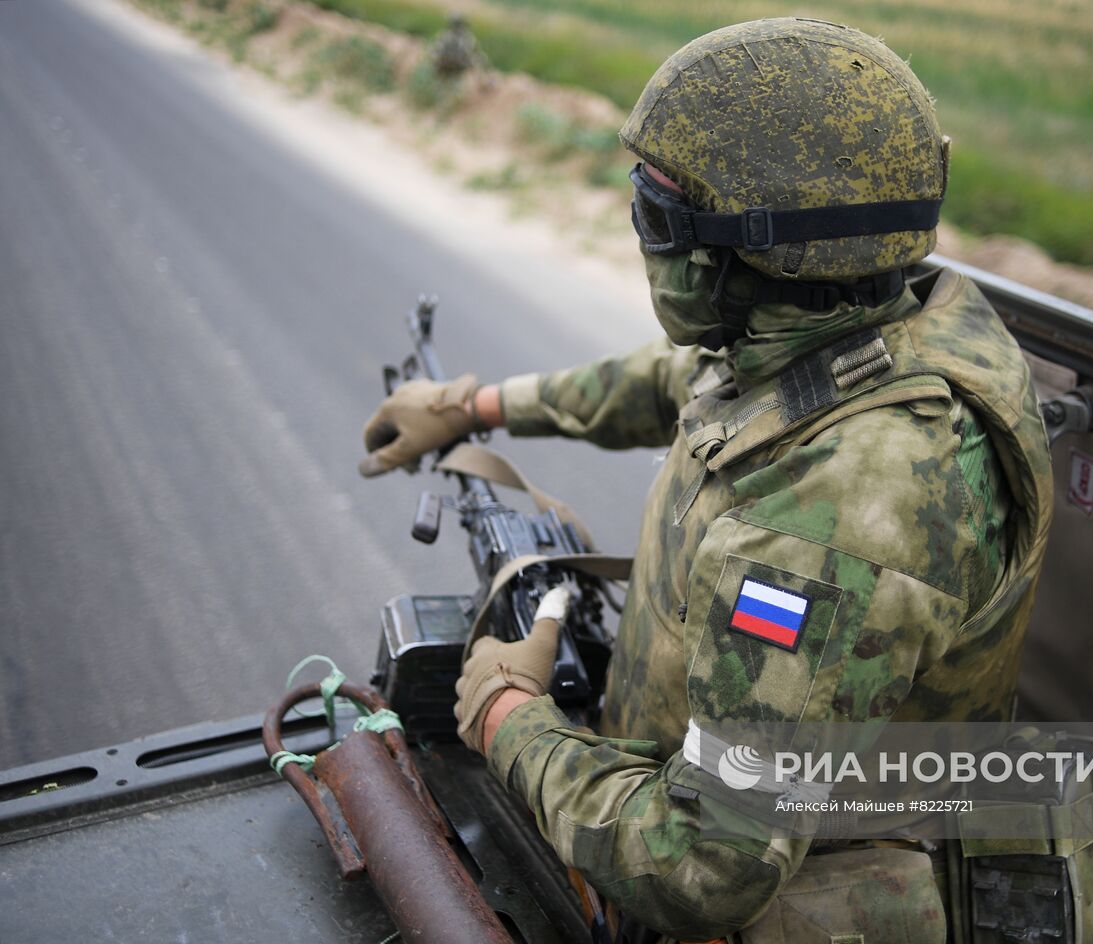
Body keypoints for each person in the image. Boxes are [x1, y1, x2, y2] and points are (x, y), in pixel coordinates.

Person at [360, 17, 1053, 943]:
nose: (640, 233)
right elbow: (685, 378)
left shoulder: (826, 524)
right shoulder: (877, 319)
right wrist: (476, 406)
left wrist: (507, 718)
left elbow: (704, 868)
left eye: (657, 214)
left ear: (748, 251)